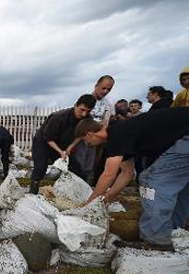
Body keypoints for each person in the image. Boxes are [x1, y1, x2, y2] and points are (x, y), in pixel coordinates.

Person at [75, 107, 189, 251]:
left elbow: (109, 174)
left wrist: (90, 203)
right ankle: (173, 228)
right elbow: (127, 173)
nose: (88, 146)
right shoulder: (123, 133)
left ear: (89, 134)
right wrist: (109, 196)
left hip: (185, 137)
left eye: (86, 142)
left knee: (152, 181)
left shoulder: (116, 135)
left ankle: (156, 240)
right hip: (184, 136)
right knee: (179, 184)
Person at [29, 94, 96, 194]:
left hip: (63, 144)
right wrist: (61, 152)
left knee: (75, 167)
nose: (84, 114)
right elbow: (48, 138)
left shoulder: (87, 119)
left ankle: (79, 192)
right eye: (82, 110)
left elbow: (81, 135)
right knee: (41, 167)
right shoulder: (58, 117)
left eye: (88, 111)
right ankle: (33, 190)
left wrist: (70, 147)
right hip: (43, 142)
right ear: (75, 105)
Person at [74, 75, 115, 184]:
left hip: (98, 140)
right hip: (83, 138)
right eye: (103, 88)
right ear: (96, 85)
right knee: (79, 164)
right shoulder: (86, 99)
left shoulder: (109, 104)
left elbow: (108, 121)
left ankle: (86, 186)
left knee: (91, 165)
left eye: (109, 89)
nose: (106, 91)